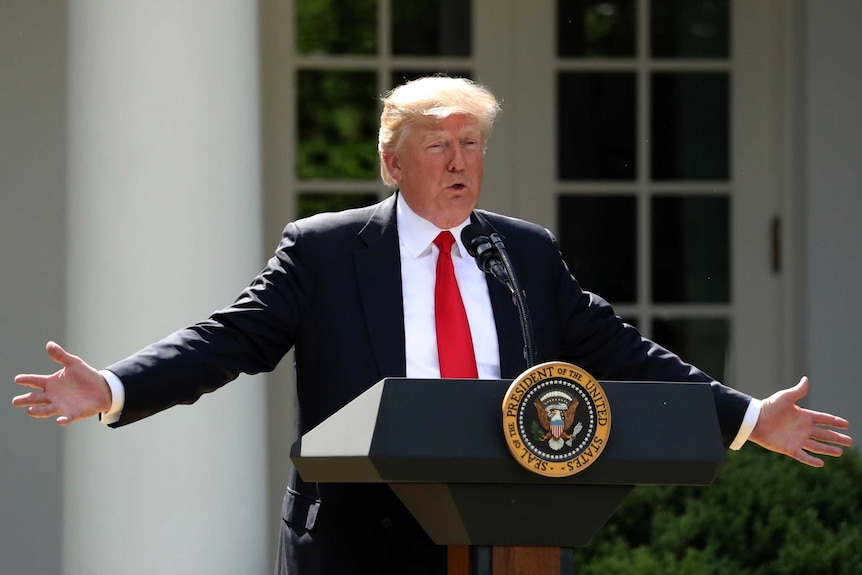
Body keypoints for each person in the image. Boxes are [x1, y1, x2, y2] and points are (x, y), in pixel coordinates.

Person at [12, 76, 853, 575]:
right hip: (359, 540)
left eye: (471, 144)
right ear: (392, 160)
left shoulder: (522, 253)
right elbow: (228, 339)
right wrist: (117, 385)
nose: (459, 162)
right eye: (437, 144)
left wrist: (745, 416)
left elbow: (616, 346)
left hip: (506, 534)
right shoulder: (328, 250)